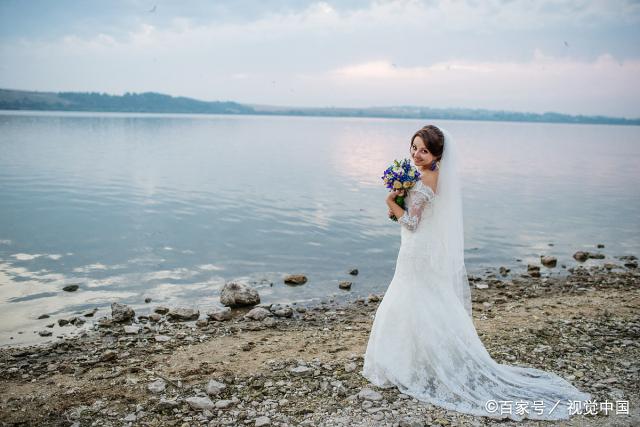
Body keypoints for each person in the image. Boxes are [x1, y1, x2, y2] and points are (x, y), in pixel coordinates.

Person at [361, 125, 592, 421]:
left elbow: (411, 223)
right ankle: (420, 360)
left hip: (416, 249)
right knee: (424, 299)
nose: (416, 155)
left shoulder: (427, 178)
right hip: (423, 248)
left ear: (437, 155)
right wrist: (404, 193)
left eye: (424, 150)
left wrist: (391, 202)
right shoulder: (430, 175)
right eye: (414, 148)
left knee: (409, 299)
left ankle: (409, 364)